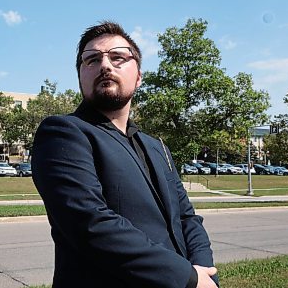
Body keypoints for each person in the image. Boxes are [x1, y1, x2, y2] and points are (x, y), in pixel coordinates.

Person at [31, 21, 219, 288]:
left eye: (118, 57)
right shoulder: (64, 132)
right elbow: (90, 223)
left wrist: (205, 272)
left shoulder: (158, 147)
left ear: (139, 76)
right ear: (80, 77)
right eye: (92, 59)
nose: (105, 65)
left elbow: (187, 218)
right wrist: (187, 278)